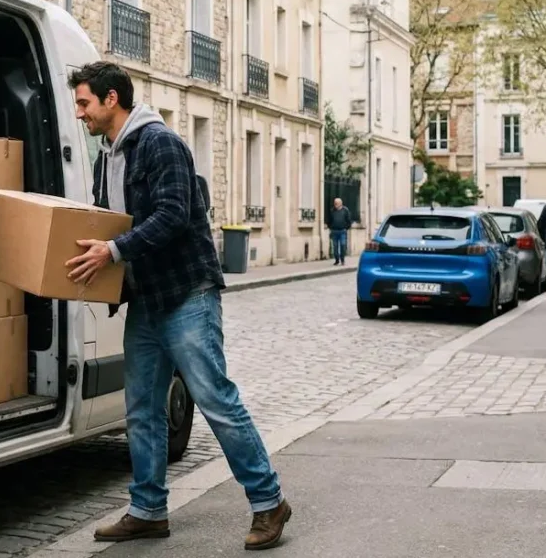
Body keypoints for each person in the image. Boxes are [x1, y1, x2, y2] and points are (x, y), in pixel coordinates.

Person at [62, 61, 291, 551]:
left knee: (216, 401)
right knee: (142, 408)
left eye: (84, 103)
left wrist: (115, 251)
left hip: (187, 295)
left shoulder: (159, 143)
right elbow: (113, 222)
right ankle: (148, 510)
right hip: (146, 299)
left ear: (111, 99)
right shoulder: (108, 156)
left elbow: (173, 213)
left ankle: (269, 502)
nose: (79, 113)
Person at [327, 197, 353, 265]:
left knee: (343, 245)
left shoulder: (345, 210)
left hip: (342, 231)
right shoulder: (332, 210)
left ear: (341, 203)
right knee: (335, 247)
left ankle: (342, 259)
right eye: (335, 203)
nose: (335, 204)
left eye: (337, 203)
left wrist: (346, 228)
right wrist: (330, 227)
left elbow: (349, 221)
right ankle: (337, 259)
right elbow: (329, 220)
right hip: (334, 231)